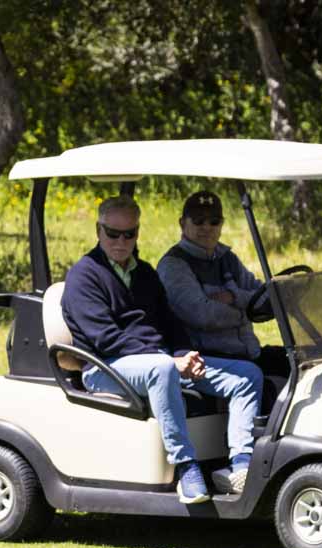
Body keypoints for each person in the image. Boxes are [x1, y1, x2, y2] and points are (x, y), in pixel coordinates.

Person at [61, 196, 265, 502]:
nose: (121, 242)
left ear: (137, 233)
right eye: (112, 234)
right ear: (98, 231)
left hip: (156, 364)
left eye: (129, 234)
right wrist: (169, 359)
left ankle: (240, 466)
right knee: (163, 368)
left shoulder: (144, 273)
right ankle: (186, 467)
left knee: (247, 375)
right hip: (105, 367)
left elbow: (170, 324)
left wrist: (184, 354)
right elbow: (105, 339)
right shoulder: (84, 276)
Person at [155, 189, 270, 367]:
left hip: (248, 353)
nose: (207, 227)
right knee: (262, 377)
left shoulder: (227, 258)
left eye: (214, 221)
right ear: (182, 223)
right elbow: (204, 315)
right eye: (198, 221)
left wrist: (234, 297)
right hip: (205, 360)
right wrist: (245, 313)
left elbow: (265, 297)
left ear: (222, 224)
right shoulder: (173, 265)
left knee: (301, 363)